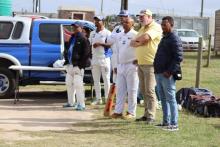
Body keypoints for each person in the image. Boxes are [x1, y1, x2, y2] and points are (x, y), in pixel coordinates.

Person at [130, 9, 162, 123]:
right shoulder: (142, 28)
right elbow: (132, 42)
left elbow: (145, 38)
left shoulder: (156, 27)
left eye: (143, 16)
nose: (140, 18)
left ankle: (151, 116)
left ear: (149, 16)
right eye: (140, 16)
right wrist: (140, 41)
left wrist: (140, 41)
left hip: (151, 64)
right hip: (141, 63)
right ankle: (146, 114)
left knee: (149, 90)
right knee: (143, 91)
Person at [154, 16, 183, 131]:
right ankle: (165, 122)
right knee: (163, 99)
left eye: (164, 25)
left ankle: (174, 124)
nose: (162, 27)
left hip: (167, 74)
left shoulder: (174, 38)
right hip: (159, 73)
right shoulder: (165, 37)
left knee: (171, 99)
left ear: (171, 25)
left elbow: (179, 58)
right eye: (161, 25)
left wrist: (170, 71)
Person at [111, 17, 139, 119]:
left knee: (132, 90)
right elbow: (116, 51)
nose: (124, 24)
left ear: (132, 24)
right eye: (123, 22)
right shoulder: (119, 35)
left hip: (132, 65)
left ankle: (131, 112)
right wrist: (116, 65)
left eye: (127, 22)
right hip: (121, 65)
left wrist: (139, 60)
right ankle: (118, 111)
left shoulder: (136, 35)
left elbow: (141, 48)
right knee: (120, 90)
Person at [63, 21, 90, 111]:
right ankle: (71, 103)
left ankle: (81, 104)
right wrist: (66, 61)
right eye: (73, 27)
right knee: (69, 83)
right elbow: (68, 50)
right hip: (70, 65)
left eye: (76, 27)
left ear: (81, 28)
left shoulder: (83, 38)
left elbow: (86, 54)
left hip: (77, 66)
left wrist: (80, 66)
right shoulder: (72, 37)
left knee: (78, 85)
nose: (74, 28)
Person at [89, 15, 112, 105]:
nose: (96, 22)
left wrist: (100, 43)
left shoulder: (107, 33)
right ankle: (98, 99)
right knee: (96, 80)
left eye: (98, 20)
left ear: (103, 21)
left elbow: (110, 44)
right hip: (95, 58)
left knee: (106, 79)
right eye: (95, 20)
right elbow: (90, 44)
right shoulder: (92, 33)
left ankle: (107, 98)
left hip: (104, 58)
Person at [107, 10, 129, 83]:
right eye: (121, 16)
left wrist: (115, 37)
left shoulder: (129, 28)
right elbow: (109, 40)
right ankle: (115, 93)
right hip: (115, 54)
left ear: (127, 17)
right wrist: (116, 37)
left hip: (124, 55)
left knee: (123, 76)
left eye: (124, 16)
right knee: (115, 75)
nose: (122, 18)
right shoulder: (117, 28)